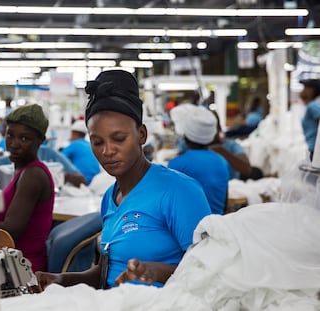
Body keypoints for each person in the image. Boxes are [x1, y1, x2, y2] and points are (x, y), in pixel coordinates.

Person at [35, 69, 211, 290]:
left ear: (142, 135)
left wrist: (154, 272)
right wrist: (61, 280)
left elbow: (210, 268)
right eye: (97, 142)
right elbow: (105, 272)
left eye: (119, 139)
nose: (108, 151)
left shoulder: (178, 191)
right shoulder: (110, 197)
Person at [0, 104, 55, 272]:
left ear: (41, 141)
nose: (14, 144)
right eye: (10, 135)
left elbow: (10, 231)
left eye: (24, 139)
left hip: (22, 273)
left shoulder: (33, 175)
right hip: (11, 265)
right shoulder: (22, 171)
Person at [168, 105, 230, 215]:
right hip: (217, 225)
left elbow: (168, 206)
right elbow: (225, 205)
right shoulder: (222, 161)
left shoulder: (176, 164)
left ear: (185, 136)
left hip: (190, 228)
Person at [61, 119, 101, 186]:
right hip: (95, 180)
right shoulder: (89, 144)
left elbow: (60, 159)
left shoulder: (74, 145)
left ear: (74, 133)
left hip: (83, 180)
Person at [299, 79, 320, 160]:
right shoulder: (312, 105)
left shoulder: (312, 106)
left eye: (305, 88)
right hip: (313, 148)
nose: (302, 91)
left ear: (311, 90)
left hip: (314, 148)